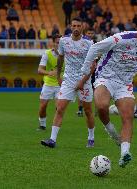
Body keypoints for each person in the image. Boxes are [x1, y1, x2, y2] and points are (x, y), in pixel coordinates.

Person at [80, 19, 137, 168]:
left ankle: (125, 153)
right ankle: (111, 130)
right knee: (101, 106)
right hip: (105, 77)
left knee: (128, 117)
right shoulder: (121, 38)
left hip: (124, 84)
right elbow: (95, 49)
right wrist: (85, 69)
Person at [41, 17, 95, 148]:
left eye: (78, 26)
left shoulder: (89, 43)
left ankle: (91, 137)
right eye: (74, 26)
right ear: (70, 27)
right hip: (68, 80)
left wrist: (83, 81)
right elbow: (60, 58)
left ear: (82, 27)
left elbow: (93, 65)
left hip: (85, 80)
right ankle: (52, 140)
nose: (76, 28)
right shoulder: (64, 41)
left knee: (87, 111)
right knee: (59, 108)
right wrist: (58, 75)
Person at [37, 34, 63, 130]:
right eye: (57, 43)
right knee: (43, 106)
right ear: (53, 43)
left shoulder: (67, 55)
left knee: (59, 107)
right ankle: (42, 124)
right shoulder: (47, 54)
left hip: (60, 84)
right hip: (48, 84)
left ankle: (55, 128)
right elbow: (39, 70)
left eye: (61, 43)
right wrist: (49, 72)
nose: (59, 45)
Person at [76, 27, 95, 117]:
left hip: (93, 70)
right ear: (85, 34)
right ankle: (80, 109)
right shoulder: (81, 43)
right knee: (80, 88)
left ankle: (93, 109)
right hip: (83, 71)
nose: (90, 35)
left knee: (95, 90)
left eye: (92, 33)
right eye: (89, 33)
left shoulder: (94, 44)